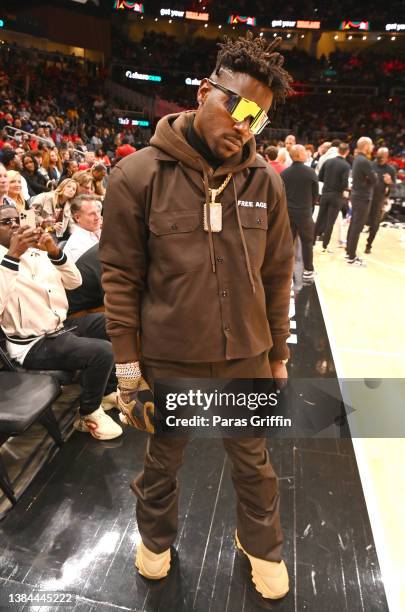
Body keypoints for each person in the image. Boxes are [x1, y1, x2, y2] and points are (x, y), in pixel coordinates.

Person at [100, 33, 294, 600]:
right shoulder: (135, 177)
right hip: (169, 357)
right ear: (206, 91)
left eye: (257, 118)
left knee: (253, 462)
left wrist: (279, 355)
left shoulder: (266, 183)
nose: (243, 125)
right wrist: (128, 370)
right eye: (235, 105)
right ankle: (155, 540)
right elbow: (120, 280)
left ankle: (260, 545)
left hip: (247, 356)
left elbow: (279, 276)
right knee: (162, 462)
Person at [0, 203, 122, 441]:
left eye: (17, 219)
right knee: (101, 352)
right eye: (6, 222)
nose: (15, 225)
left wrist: (54, 252)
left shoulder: (35, 252)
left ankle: (106, 393)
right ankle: (88, 415)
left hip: (58, 328)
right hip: (31, 344)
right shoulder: (8, 260)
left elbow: (74, 282)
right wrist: (12, 257)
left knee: (113, 324)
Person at [281, 145, 318, 283]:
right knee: (307, 242)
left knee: (287, 243)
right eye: (304, 152)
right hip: (305, 213)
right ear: (298, 155)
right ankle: (308, 270)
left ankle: (285, 270)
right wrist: (310, 207)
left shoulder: (284, 173)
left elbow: (280, 194)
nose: (306, 154)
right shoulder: (310, 172)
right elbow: (315, 194)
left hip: (288, 213)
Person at [346, 137, 377, 266]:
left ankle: (349, 252)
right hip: (362, 197)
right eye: (371, 145)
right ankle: (351, 257)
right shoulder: (364, 161)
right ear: (365, 146)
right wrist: (372, 177)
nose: (373, 147)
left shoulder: (357, 159)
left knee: (354, 224)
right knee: (357, 227)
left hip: (357, 195)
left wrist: (369, 178)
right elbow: (375, 180)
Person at [315, 143, 350, 252]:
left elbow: (320, 177)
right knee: (330, 221)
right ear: (347, 152)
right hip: (337, 196)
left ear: (338, 150)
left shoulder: (328, 161)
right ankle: (325, 245)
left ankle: (311, 241)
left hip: (325, 194)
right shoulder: (346, 165)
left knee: (320, 218)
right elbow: (344, 184)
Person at [366, 147, 396, 254]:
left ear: (387, 157)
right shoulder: (370, 165)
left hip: (379, 200)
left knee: (375, 225)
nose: (380, 159)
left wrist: (390, 182)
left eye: (383, 157)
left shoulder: (391, 170)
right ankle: (351, 246)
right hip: (366, 197)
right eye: (379, 157)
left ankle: (369, 244)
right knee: (358, 222)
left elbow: (394, 188)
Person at [64, 194, 102, 262]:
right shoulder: (76, 246)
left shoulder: (99, 232)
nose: (97, 217)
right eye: (91, 214)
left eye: (98, 211)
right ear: (77, 217)